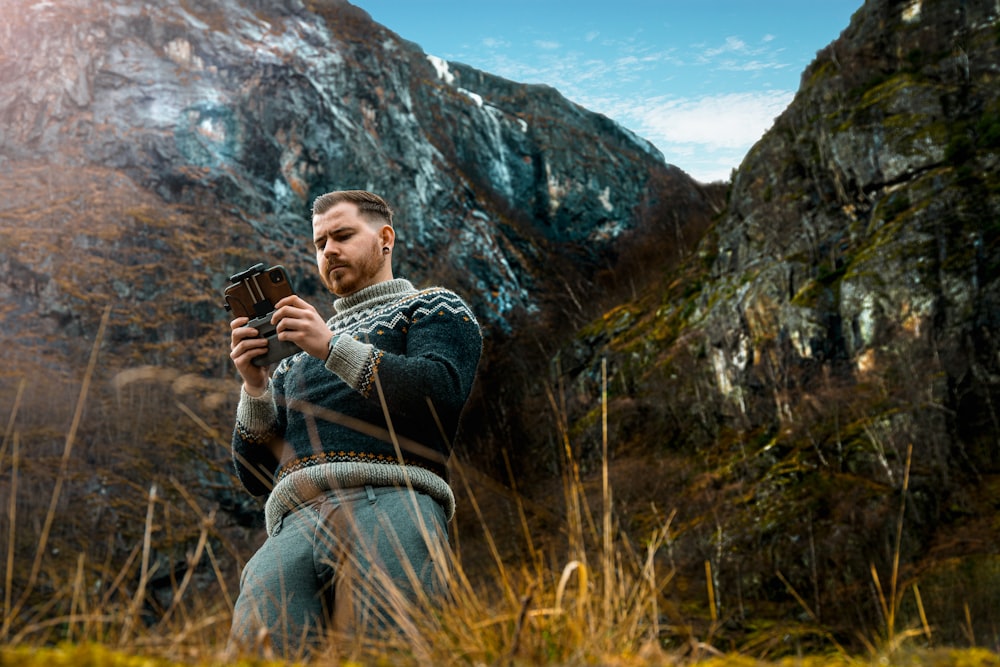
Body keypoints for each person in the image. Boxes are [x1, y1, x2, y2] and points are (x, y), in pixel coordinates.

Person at [226, 190, 482, 657]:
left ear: (385, 238)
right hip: (291, 525)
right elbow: (255, 474)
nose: (329, 251)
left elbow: (438, 392)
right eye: (320, 244)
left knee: (391, 654)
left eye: (342, 235)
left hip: (391, 502)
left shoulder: (433, 307)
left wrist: (330, 346)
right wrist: (255, 387)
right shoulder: (292, 360)